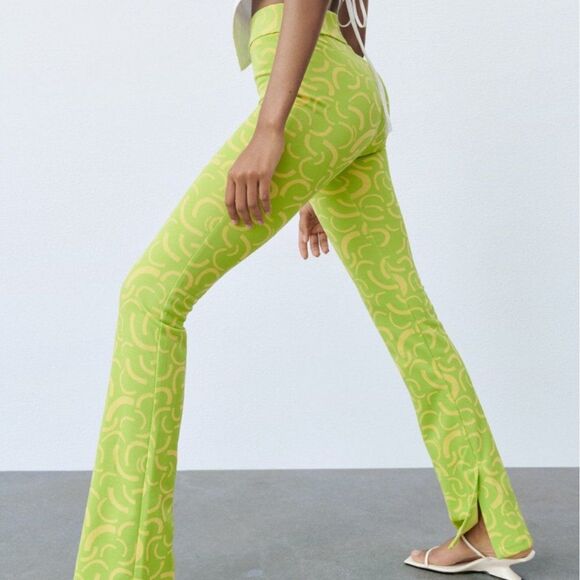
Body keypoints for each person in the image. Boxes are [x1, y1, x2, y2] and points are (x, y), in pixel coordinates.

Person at [73, 1, 536, 578]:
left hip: (312, 92)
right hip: (351, 92)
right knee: (408, 317)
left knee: (149, 298)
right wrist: (322, 161)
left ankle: (123, 566)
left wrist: (274, 129)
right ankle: (492, 523)